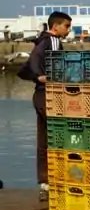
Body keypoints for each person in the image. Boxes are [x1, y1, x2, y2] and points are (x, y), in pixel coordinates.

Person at [18, 11, 71, 194]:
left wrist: (34, 76)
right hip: (48, 94)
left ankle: (45, 182)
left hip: (39, 95)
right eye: (66, 26)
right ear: (55, 26)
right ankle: (58, 178)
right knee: (58, 135)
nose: (69, 30)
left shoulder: (41, 40)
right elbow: (39, 61)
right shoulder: (52, 41)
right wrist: (40, 77)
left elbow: (29, 64)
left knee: (44, 139)